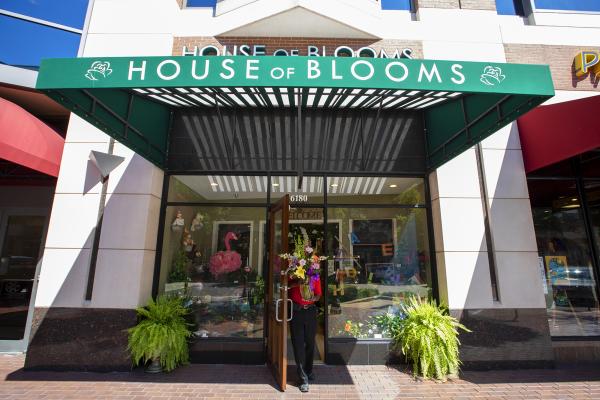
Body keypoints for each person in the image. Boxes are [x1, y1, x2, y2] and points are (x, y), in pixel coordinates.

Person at [288, 276, 322, 393]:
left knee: (310, 343)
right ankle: (303, 379)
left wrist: (313, 298)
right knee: (298, 344)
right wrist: (298, 282)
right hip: (296, 311)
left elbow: (318, 295)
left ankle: (309, 370)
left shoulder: (314, 276)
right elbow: (284, 287)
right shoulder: (292, 274)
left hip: (311, 311)